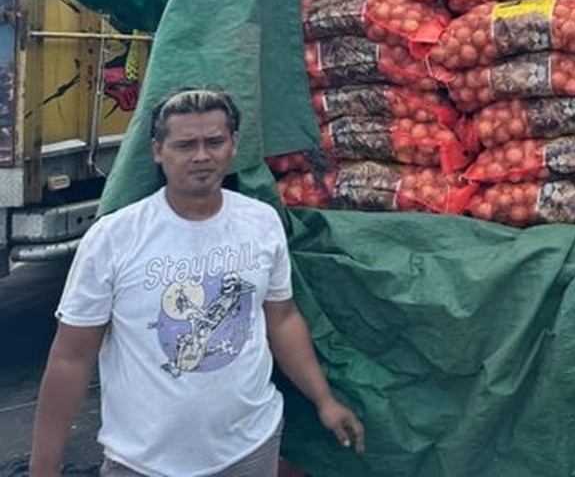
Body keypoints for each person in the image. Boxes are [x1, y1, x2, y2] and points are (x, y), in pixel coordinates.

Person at [28, 88, 364, 477]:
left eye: (214, 142)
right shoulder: (113, 238)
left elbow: (282, 320)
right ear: (158, 150)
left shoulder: (261, 222)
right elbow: (72, 356)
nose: (202, 156)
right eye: (185, 144)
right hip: (144, 462)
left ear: (234, 145)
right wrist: (44, 467)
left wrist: (324, 401)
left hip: (252, 449)